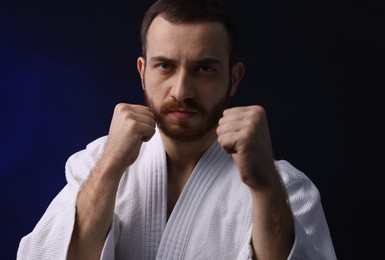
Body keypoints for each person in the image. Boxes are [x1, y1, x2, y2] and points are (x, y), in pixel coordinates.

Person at [17, 0, 337, 259]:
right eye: (165, 66)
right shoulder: (96, 164)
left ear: (234, 78)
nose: (181, 90)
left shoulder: (287, 188)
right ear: (143, 72)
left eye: (204, 69)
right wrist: (112, 165)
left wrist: (265, 186)